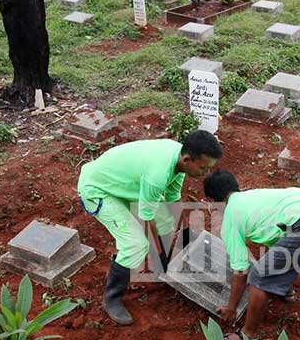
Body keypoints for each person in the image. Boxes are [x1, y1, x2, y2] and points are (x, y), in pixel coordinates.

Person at [77, 132, 223, 325]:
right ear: (187, 159)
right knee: (136, 244)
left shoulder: (179, 161)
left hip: (124, 185)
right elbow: (148, 220)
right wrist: (160, 252)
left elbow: (172, 199)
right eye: (203, 167)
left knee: (165, 219)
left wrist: (187, 232)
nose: (205, 172)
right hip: (98, 189)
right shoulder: (158, 174)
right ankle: (112, 298)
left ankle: (162, 269)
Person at [203, 171, 300, 340]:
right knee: (281, 252)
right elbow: (278, 240)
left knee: (258, 278)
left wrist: (231, 309)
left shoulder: (231, 216)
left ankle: (246, 336)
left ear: (214, 200)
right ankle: (287, 292)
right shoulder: (253, 196)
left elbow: (240, 270)